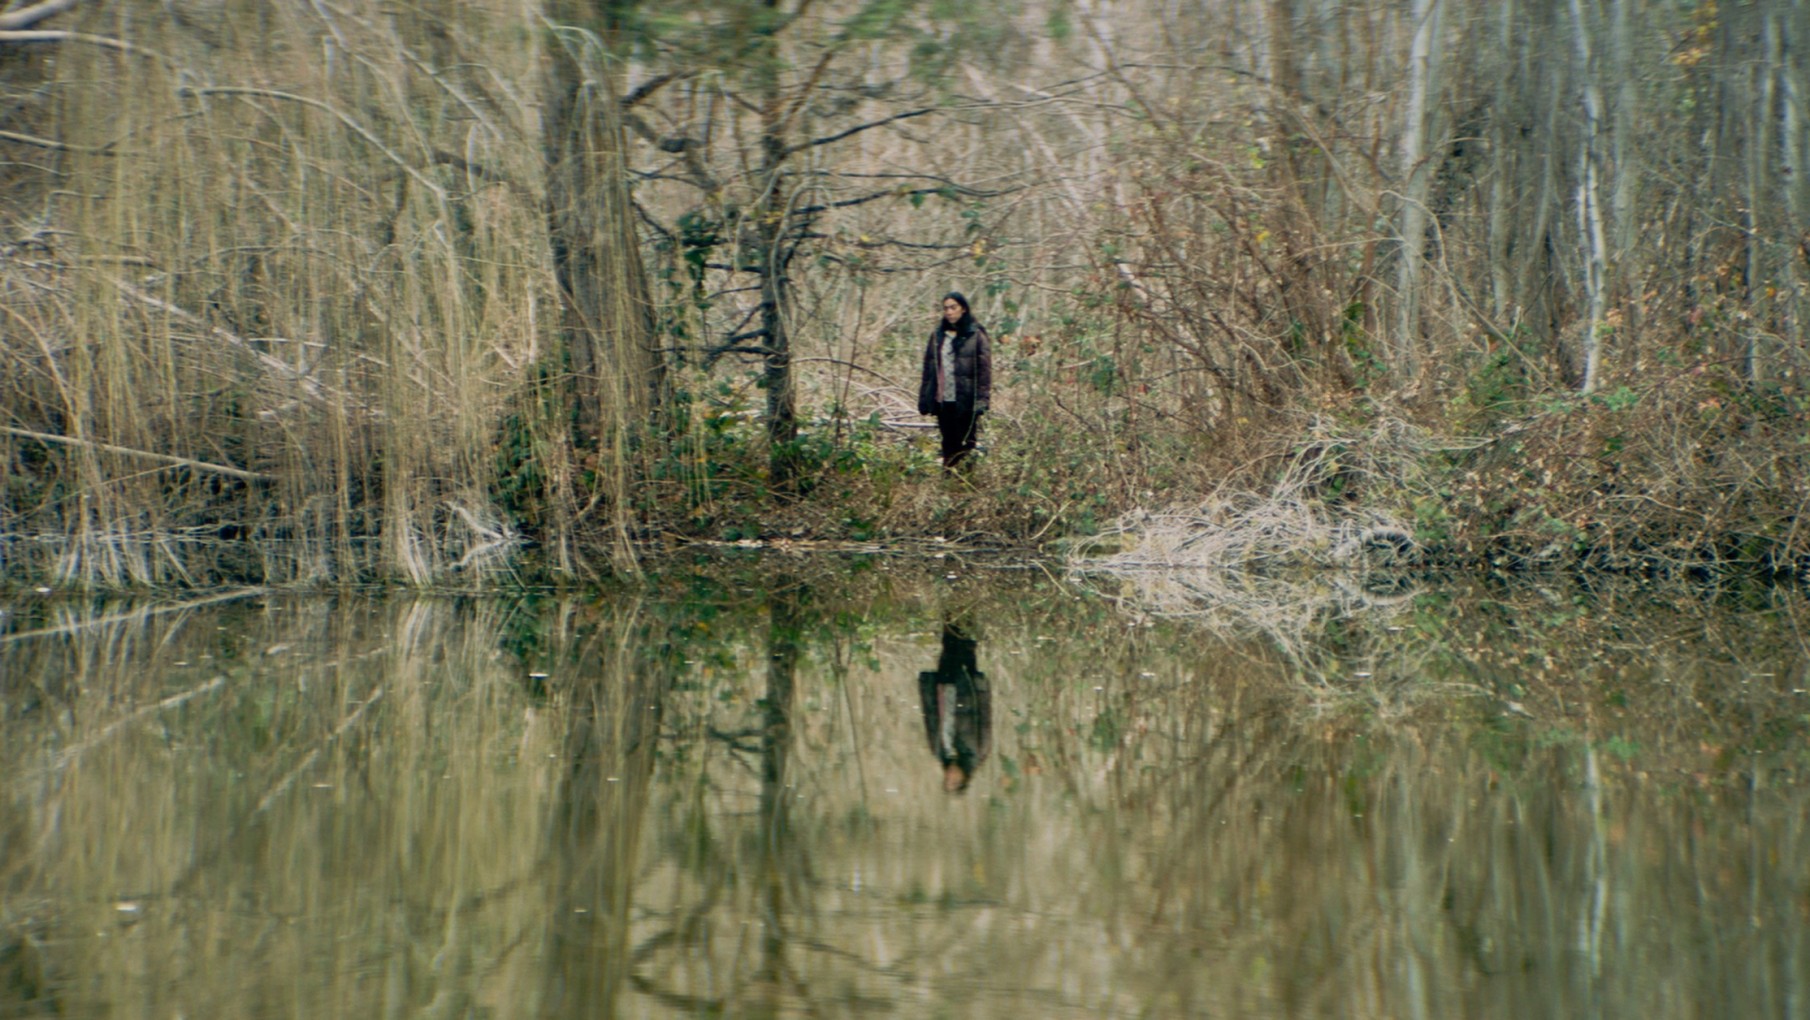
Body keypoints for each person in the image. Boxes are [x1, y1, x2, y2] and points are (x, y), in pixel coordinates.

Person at [917, 291, 992, 470]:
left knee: (966, 444)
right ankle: (948, 478)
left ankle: (966, 480)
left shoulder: (976, 335)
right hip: (943, 399)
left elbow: (985, 372)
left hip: (966, 400)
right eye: (946, 309)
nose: (949, 312)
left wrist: (982, 401)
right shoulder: (938, 336)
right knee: (948, 443)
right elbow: (929, 370)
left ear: (963, 309)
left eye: (953, 307)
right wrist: (924, 398)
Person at [918, 621, 991, 793]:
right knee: (966, 647)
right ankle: (966, 615)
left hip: (943, 691)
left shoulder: (939, 752)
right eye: (954, 780)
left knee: (948, 647)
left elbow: (931, 718)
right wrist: (981, 687)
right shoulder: (978, 751)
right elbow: (985, 716)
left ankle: (950, 618)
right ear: (964, 778)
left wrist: (927, 689)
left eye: (947, 779)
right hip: (966, 689)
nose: (950, 775)